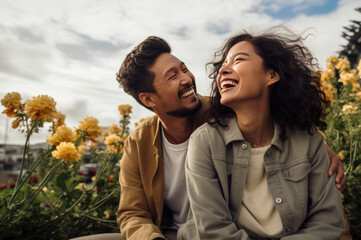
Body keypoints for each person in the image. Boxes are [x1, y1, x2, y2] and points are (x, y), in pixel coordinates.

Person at [84, 36, 344, 240]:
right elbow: (132, 213)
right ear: (148, 99)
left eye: (184, 68)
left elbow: (272, 117)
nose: (187, 79)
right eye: (173, 76)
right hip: (173, 234)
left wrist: (318, 144)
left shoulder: (223, 111)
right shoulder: (139, 143)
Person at [178, 29, 346, 239]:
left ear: (272, 75)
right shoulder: (205, 141)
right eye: (222, 66)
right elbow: (213, 229)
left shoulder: (309, 141)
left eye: (237, 60)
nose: (223, 71)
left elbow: (327, 223)